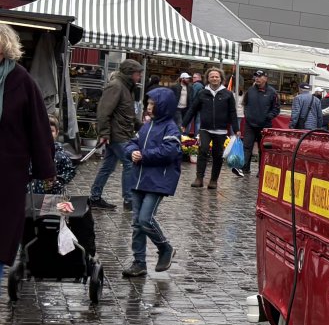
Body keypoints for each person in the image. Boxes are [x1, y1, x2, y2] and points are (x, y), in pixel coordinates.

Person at [1, 22, 55, 284]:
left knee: (1, 237)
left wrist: (46, 170)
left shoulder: (22, 81)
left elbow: (39, 128)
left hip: (7, 173)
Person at [122, 88, 182, 278]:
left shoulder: (171, 128)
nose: (148, 107)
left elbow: (170, 152)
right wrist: (132, 151)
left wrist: (143, 156)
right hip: (140, 179)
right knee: (137, 224)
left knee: (145, 220)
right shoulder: (147, 126)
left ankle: (165, 247)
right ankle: (139, 262)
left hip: (158, 181)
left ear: (162, 106)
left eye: (152, 104)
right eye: (148, 104)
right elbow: (132, 143)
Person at [89, 58, 142, 212]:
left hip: (120, 133)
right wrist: (104, 133)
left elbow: (127, 111)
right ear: (130, 73)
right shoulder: (116, 86)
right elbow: (103, 112)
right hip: (118, 134)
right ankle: (129, 199)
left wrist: (141, 126)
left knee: (108, 167)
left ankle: (95, 197)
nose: (139, 77)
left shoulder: (126, 86)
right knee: (129, 164)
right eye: (138, 74)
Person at [183, 68, 238, 189]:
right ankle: (199, 178)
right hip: (205, 129)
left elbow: (233, 113)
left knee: (217, 155)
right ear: (207, 78)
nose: (214, 78)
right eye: (212, 76)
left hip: (221, 130)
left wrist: (236, 129)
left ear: (221, 79)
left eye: (216, 76)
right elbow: (192, 109)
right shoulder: (202, 93)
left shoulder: (227, 94)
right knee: (202, 150)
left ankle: (213, 180)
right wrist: (184, 124)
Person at [237, 70, 279, 177]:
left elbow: (276, 109)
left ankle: (261, 171)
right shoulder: (250, 90)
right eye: (255, 76)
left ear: (265, 78)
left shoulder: (272, 92)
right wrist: (248, 115)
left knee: (263, 149)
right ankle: (244, 168)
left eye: (260, 77)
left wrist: (267, 117)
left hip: (264, 126)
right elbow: (245, 104)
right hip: (250, 124)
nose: (257, 79)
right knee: (247, 147)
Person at [29, 117, 77, 194]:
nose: (47, 133)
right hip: (32, 193)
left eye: (51, 131)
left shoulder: (60, 154)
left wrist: (59, 180)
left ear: (57, 132)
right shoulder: (31, 152)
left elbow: (70, 171)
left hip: (53, 193)